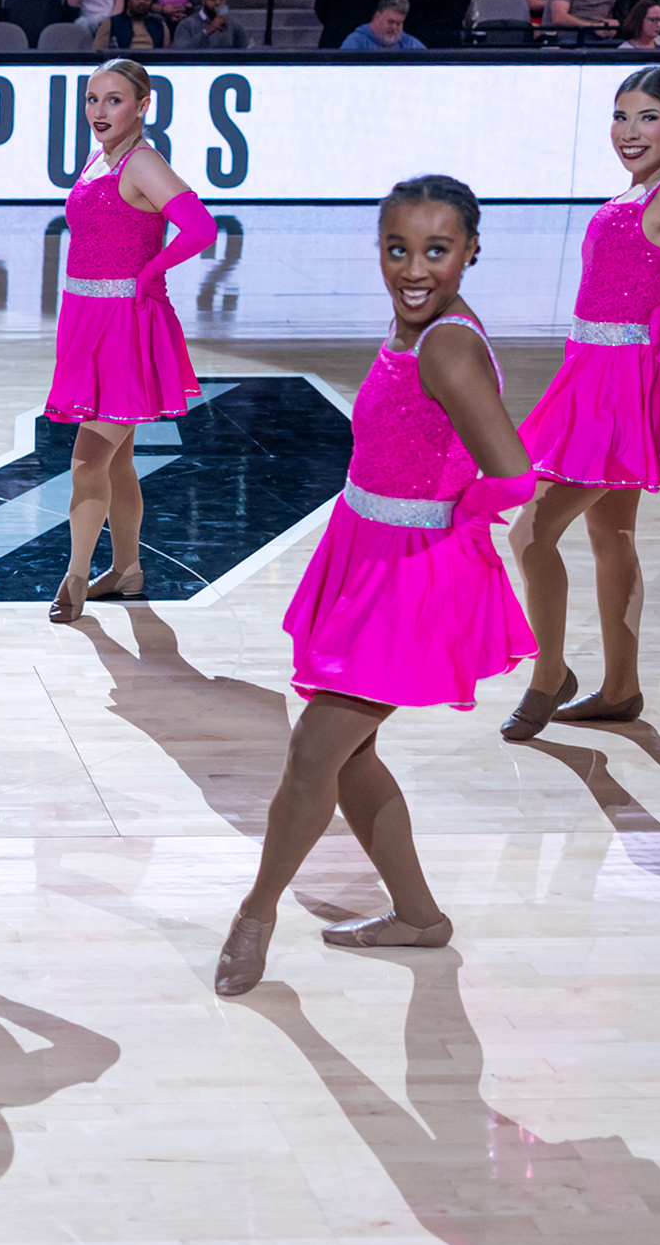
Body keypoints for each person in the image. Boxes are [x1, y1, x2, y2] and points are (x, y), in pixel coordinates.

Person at [214, 173, 535, 995]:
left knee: (312, 752)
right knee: (350, 754)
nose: (414, 269)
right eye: (398, 249)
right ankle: (419, 916)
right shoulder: (414, 327)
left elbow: (512, 476)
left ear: (471, 251)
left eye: (437, 251)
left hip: (410, 575)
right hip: (366, 549)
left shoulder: (449, 347)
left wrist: (453, 529)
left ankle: (255, 914)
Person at [503, 68, 660, 739]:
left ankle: (549, 674)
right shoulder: (640, 190)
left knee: (530, 531)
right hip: (592, 372)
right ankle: (620, 688)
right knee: (610, 535)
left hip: (623, 383)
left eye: (648, 117)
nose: (629, 131)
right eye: (621, 116)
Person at [45, 59, 213, 620]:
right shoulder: (101, 156)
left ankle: (74, 577)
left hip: (123, 325)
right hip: (86, 319)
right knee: (117, 462)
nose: (98, 111)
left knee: (87, 461)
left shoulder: (142, 161)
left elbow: (201, 228)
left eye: (113, 100)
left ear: (143, 106)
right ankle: (127, 570)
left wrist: (151, 271)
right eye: (92, 99)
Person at [170, 0, 247, 48]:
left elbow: (243, 52)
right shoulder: (187, 24)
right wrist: (207, 32)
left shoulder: (235, 25)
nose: (218, 2)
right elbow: (179, 51)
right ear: (203, 1)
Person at [344, 0, 427, 49]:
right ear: (377, 16)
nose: (394, 27)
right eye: (390, 22)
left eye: (398, 23)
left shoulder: (410, 45)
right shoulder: (356, 42)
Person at [104, 0, 169, 49]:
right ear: (129, 2)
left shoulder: (159, 24)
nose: (142, 2)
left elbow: (166, 52)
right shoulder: (112, 23)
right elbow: (100, 51)